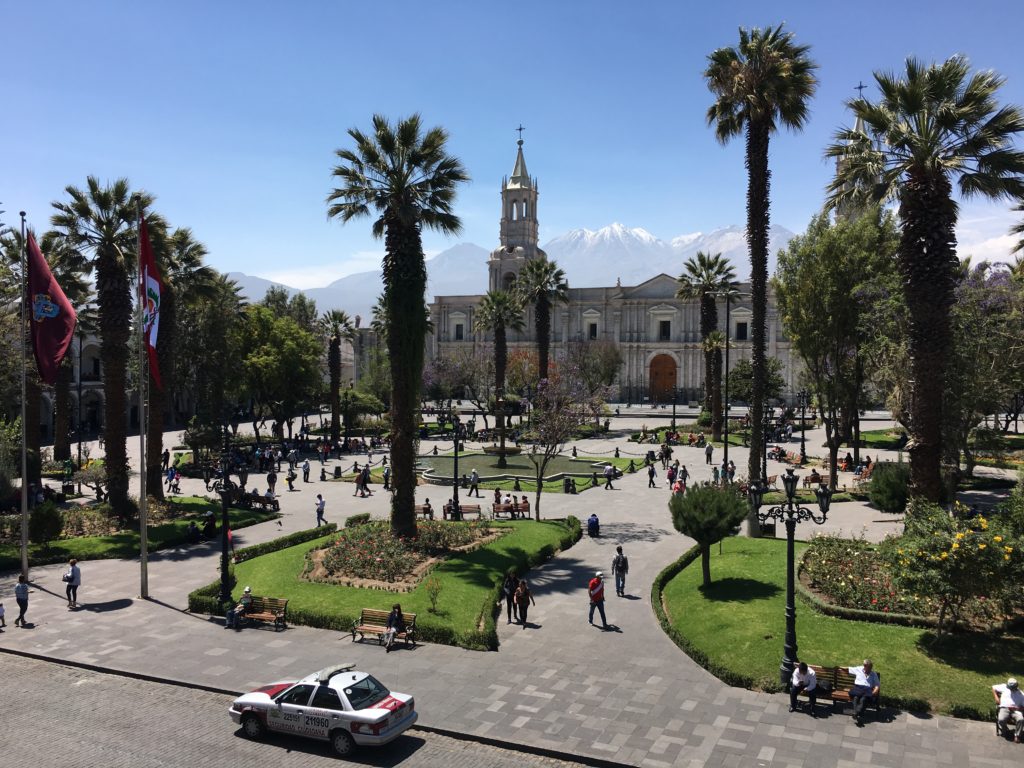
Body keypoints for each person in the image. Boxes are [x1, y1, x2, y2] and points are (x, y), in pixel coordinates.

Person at [847, 659, 880, 725]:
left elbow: (877, 685)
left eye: (871, 667)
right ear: (864, 666)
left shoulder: (873, 674)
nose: (870, 669)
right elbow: (848, 669)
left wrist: (874, 692)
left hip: (867, 689)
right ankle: (858, 714)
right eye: (869, 667)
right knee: (856, 697)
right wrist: (837, 667)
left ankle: (856, 712)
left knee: (863, 699)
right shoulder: (858, 669)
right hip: (858, 688)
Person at [993, 677, 1024, 742]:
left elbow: (1023, 706)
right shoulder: (1004, 687)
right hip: (1004, 708)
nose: (1011, 689)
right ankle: (1005, 730)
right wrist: (996, 697)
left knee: (1021, 719)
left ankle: (1017, 735)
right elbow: (993, 687)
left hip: (1016, 710)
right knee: (1001, 719)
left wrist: (1019, 708)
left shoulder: (1021, 694)